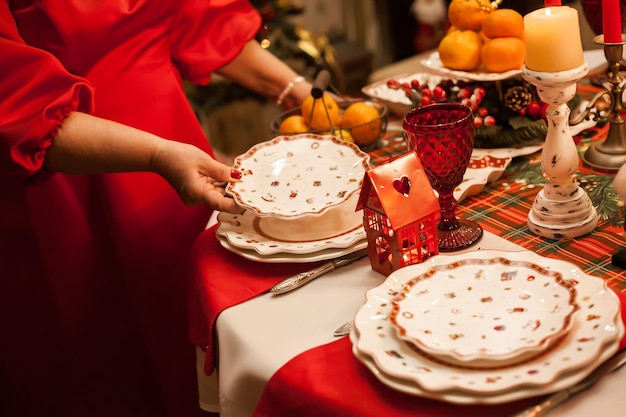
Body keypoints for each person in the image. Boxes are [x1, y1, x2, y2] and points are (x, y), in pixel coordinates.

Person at [0, 1, 312, 416]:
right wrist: (156, 155)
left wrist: (307, 97)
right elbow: (12, 101)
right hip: (65, 179)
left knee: (190, 334)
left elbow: (195, 18)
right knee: (111, 367)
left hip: (175, 155)